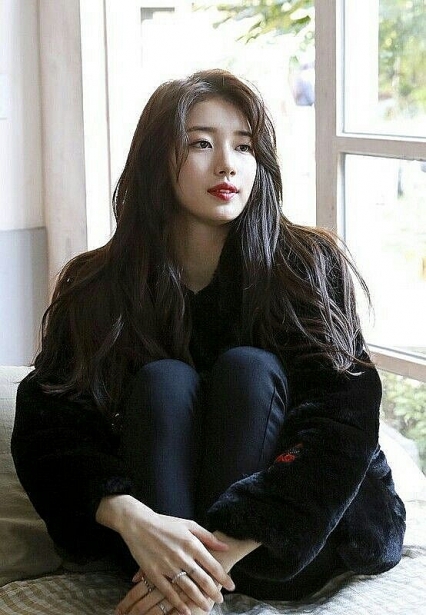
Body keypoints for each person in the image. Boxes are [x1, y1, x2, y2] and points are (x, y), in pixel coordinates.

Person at [11, 69, 406, 615]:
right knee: (164, 381)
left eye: (243, 147)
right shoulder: (98, 283)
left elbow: (342, 419)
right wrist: (131, 517)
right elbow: (50, 423)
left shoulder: (305, 266)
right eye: (201, 143)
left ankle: (186, 593)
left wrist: (208, 564)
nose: (227, 165)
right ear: (157, 159)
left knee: (249, 369)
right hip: (154, 542)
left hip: (279, 545)